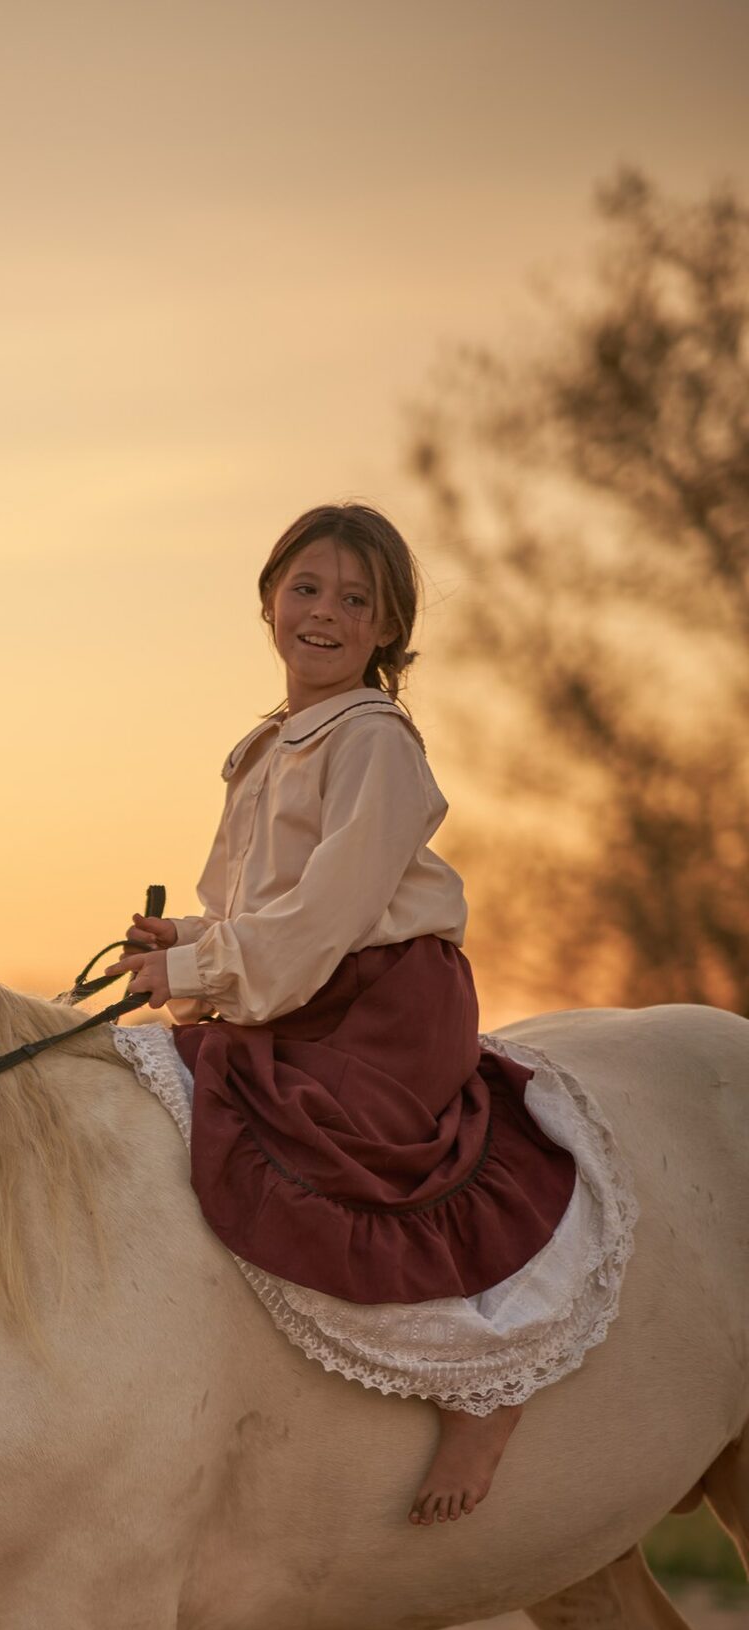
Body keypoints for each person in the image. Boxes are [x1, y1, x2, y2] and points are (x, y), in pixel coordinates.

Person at [107, 502, 580, 1528]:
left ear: (385, 630)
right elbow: (265, 910)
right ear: (270, 599)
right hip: (306, 983)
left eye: (355, 601)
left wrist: (203, 962)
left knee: (329, 1147)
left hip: (380, 1008)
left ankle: (483, 1387)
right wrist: (185, 940)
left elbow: (326, 916)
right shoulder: (271, 745)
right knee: (184, 1080)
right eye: (308, 589)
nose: (324, 613)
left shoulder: (374, 744)